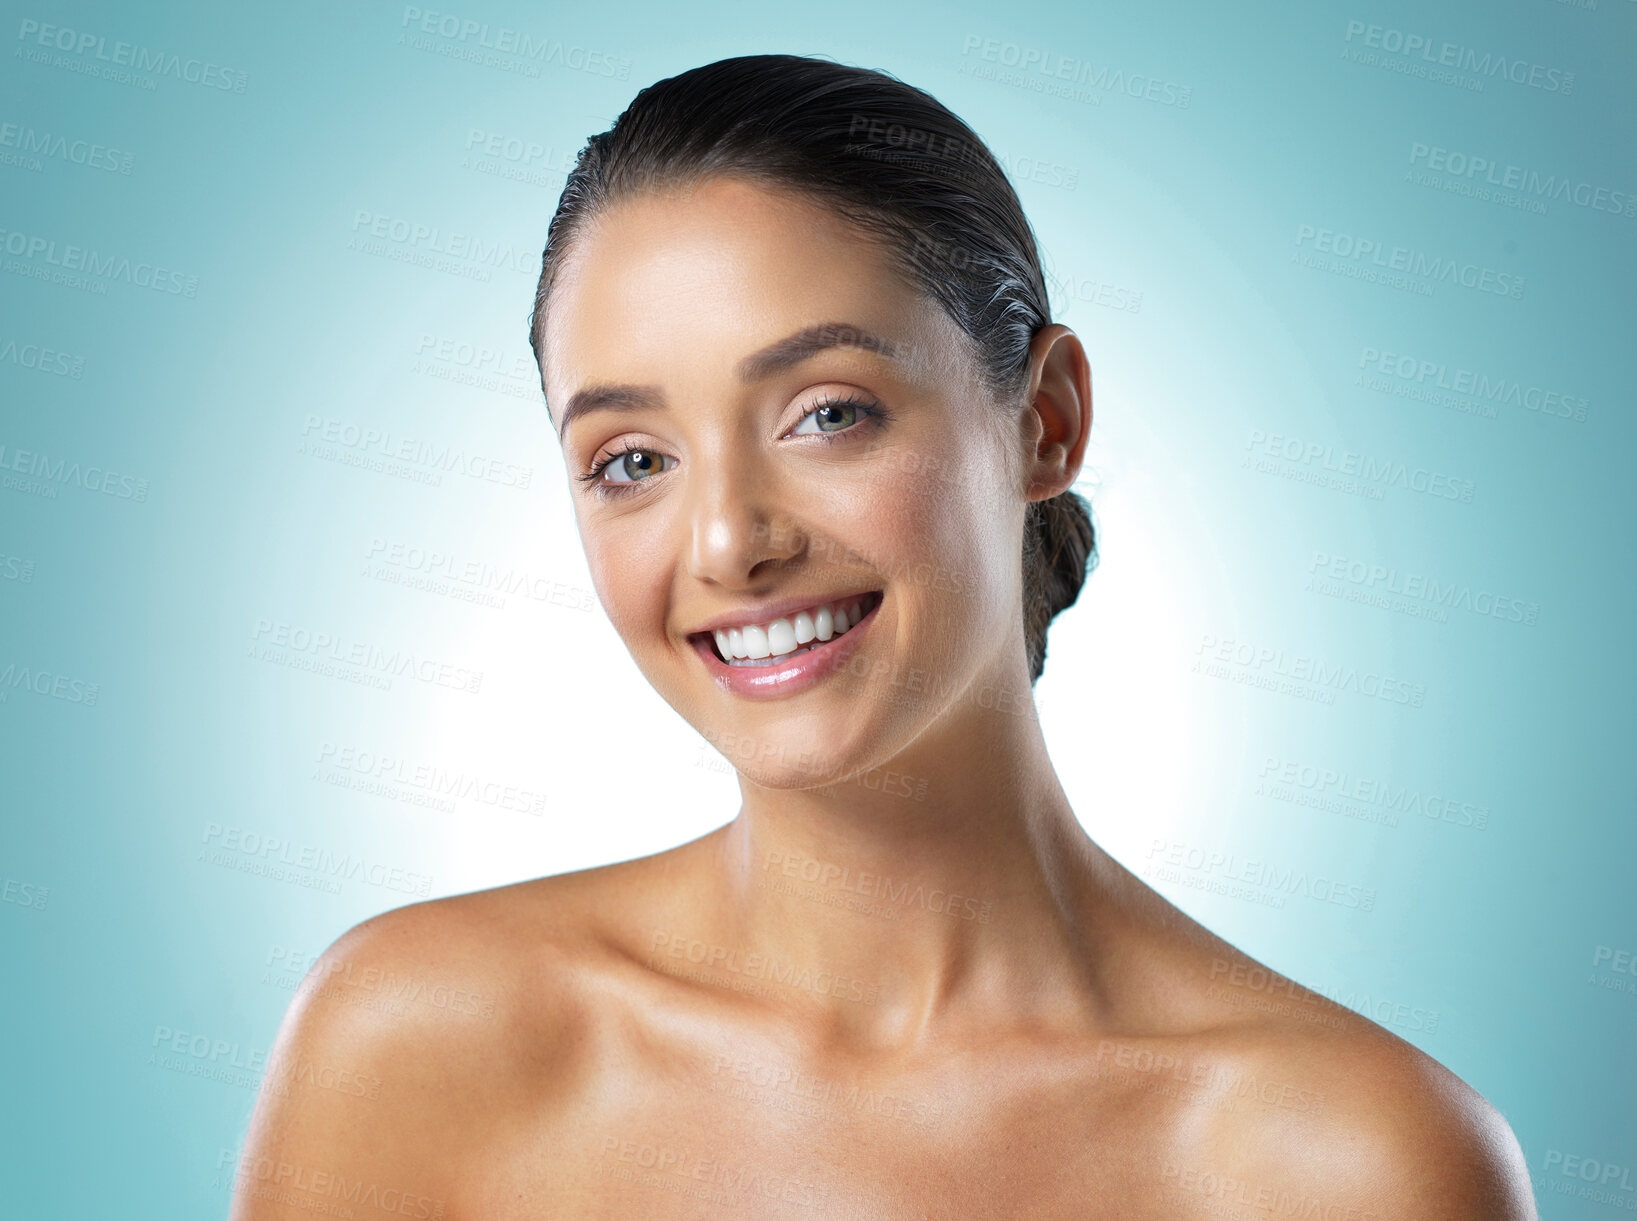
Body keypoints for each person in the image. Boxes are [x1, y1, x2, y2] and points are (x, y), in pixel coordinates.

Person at [232, 54, 1536, 1218]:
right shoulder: (417, 1043)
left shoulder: (1347, 1162)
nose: (728, 541)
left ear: (1045, 420)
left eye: (827, 413)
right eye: (632, 457)